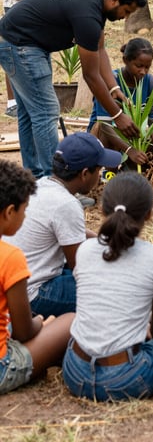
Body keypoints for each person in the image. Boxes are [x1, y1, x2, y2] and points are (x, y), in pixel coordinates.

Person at [0, 0, 146, 179]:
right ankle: (56, 183)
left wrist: (114, 89)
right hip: (21, 45)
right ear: (115, 0)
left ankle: (34, 179)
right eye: (127, 11)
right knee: (46, 111)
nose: (126, 17)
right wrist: (117, 116)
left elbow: (99, 48)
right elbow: (91, 76)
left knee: (29, 113)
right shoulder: (87, 15)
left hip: (21, 40)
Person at [61, 172, 153, 401]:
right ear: (150, 213)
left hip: (75, 371)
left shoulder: (85, 250)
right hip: (123, 379)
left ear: (101, 210)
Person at [6, 133, 122, 317]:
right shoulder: (66, 204)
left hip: (13, 286)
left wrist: (104, 240)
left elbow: (69, 232)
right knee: (114, 290)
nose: (99, 177)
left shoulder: (42, 185)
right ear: (85, 174)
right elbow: (79, 267)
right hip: (34, 294)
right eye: (98, 170)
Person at [0, 160, 73, 396]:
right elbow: (24, 332)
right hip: (2, 367)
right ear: (10, 212)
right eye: (25, 209)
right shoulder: (10, 257)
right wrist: (41, 322)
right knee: (70, 320)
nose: (25, 216)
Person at [88, 37, 153, 169]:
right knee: (104, 126)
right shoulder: (110, 82)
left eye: (147, 67)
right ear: (126, 60)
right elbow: (104, 124)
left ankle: (130, 168)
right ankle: (108, 170)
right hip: (105, 135)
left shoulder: (150, 83)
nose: (143, 71)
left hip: (134, 137)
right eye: (138, 66)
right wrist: (130, 150)